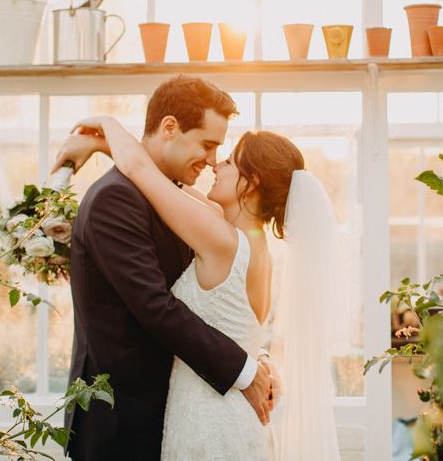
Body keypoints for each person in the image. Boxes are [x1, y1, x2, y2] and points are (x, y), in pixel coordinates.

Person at [55, 86, 341, 459]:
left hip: (206, 414)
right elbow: (161, 304)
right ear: (170, 127)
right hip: (128, 418)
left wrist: (107, 127)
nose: (213, 162)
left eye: (225, 158)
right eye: (208, 146)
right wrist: (249, 364)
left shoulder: (219, 235)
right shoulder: (227, 229)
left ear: (251, 183)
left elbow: (143, 169)